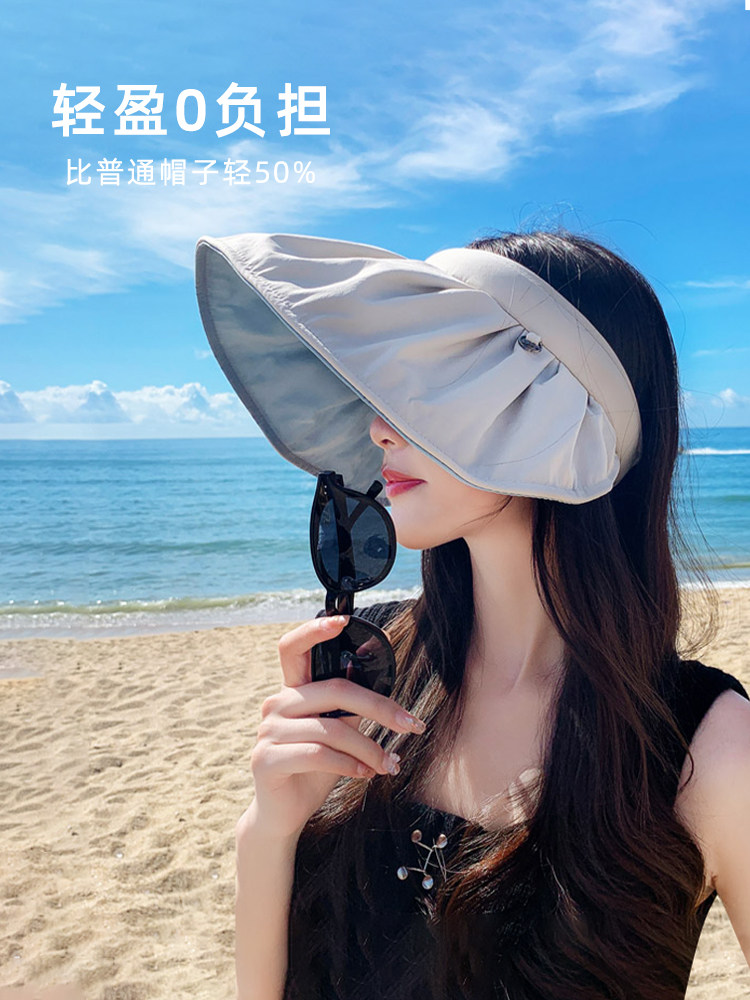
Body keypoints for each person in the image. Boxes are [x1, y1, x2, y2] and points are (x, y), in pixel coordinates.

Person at [194, 228, 750, 1000]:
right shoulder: (374, 663)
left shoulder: (707, 748)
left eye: (436, 383)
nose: (379, 426)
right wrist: (273, 825)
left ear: (558, 420)